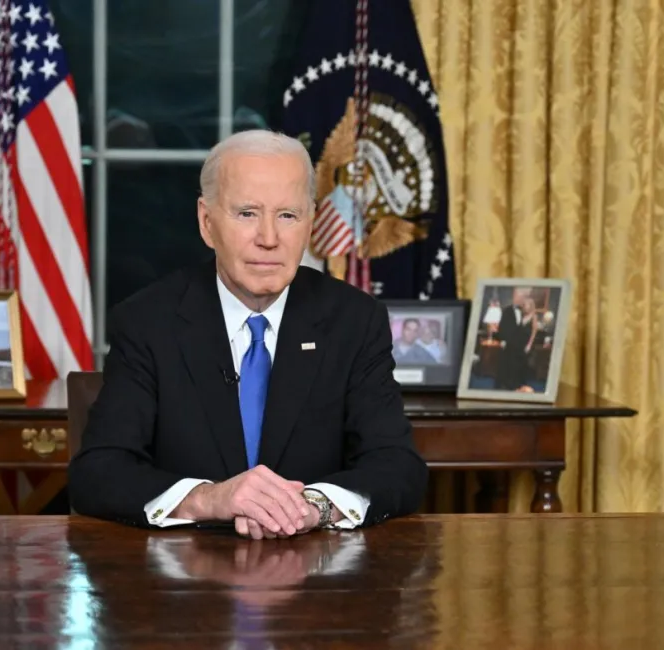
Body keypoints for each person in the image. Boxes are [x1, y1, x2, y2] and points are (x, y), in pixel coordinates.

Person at [68, 130, 427, 539]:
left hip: (317, 580)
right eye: (247, 214)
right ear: (207, 222)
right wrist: (209, 499)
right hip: (182, 580)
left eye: (288, 215)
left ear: (310, 223)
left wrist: (315, 507)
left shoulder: (355, 321)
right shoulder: (148, 322)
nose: (269, 238)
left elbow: (398, 465)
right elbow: (98, 471)